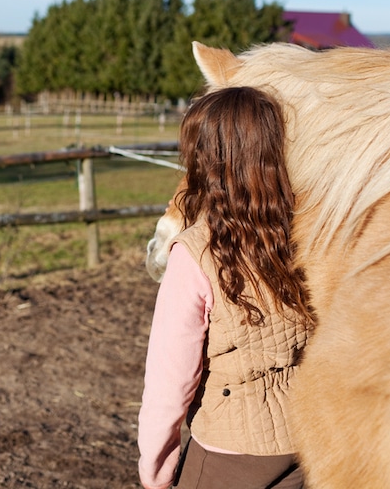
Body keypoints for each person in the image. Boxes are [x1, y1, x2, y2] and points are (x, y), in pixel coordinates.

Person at [138, 86, 315, 489]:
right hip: (306, 439)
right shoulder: (308, 235)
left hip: (229, 450)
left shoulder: (194, 254)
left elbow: (170, 381)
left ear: (206, 159)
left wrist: (156, 468)